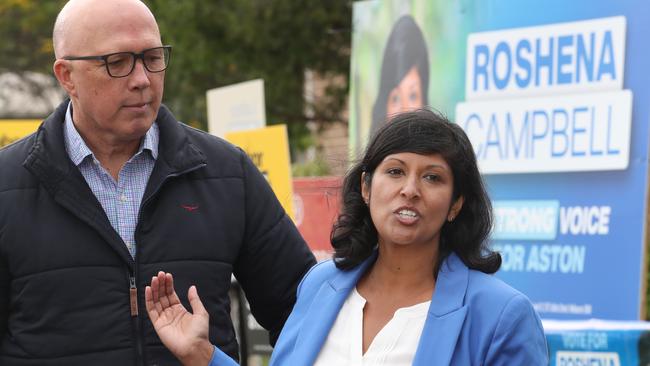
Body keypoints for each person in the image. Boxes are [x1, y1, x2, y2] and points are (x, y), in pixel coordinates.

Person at [0, 0, 315, 364]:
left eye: (152, 58)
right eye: (116, 63)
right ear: (66, 75)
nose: (141, 80)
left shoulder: (227, 173)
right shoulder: (8, 184)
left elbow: (305, 315)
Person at [146, 109, 549, 365]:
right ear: (367, 188)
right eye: (395, 171)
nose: (410, 189)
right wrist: (203, 355)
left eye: (432, 177)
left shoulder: (501, 316)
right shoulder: (321, 286)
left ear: (456, 203)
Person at [370, 15, 430, 136]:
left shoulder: (442, 149)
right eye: (395, 98)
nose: (404, 111)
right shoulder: (370, 152)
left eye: (413, 96)